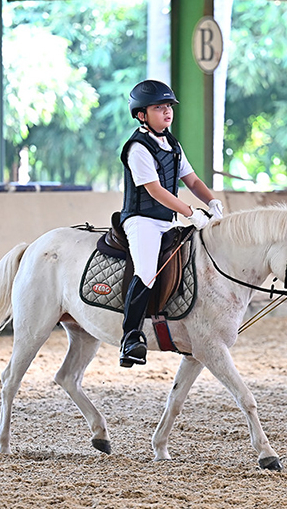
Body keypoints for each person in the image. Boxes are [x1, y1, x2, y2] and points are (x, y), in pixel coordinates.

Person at [119, 80, 223, 368]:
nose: (167, 112)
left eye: (168, 107)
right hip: (142, 220)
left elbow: (192, 180)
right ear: (142, 114)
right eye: (158, 108)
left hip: (167, 220)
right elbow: (155, 190)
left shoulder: (172, 144)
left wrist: (212, 202)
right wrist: (191, 213)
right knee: (147, 271)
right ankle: (131, 337)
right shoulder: (138, 148)